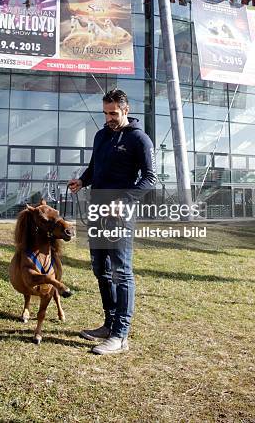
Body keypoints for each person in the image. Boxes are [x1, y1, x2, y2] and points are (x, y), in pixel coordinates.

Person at [68, 88, 157, 355]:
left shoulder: (140, 139)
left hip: (120, 213)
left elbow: (150, 178)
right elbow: (95, 167)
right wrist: (83, 180)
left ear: (126, 110)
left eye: (114, 113)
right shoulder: (101, 135)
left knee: (121, 272)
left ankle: (120, 335)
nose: (109, 118)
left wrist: (125, 200)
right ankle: (109, 324)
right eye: (106, 113)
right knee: (100, 268)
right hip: (97, 209)